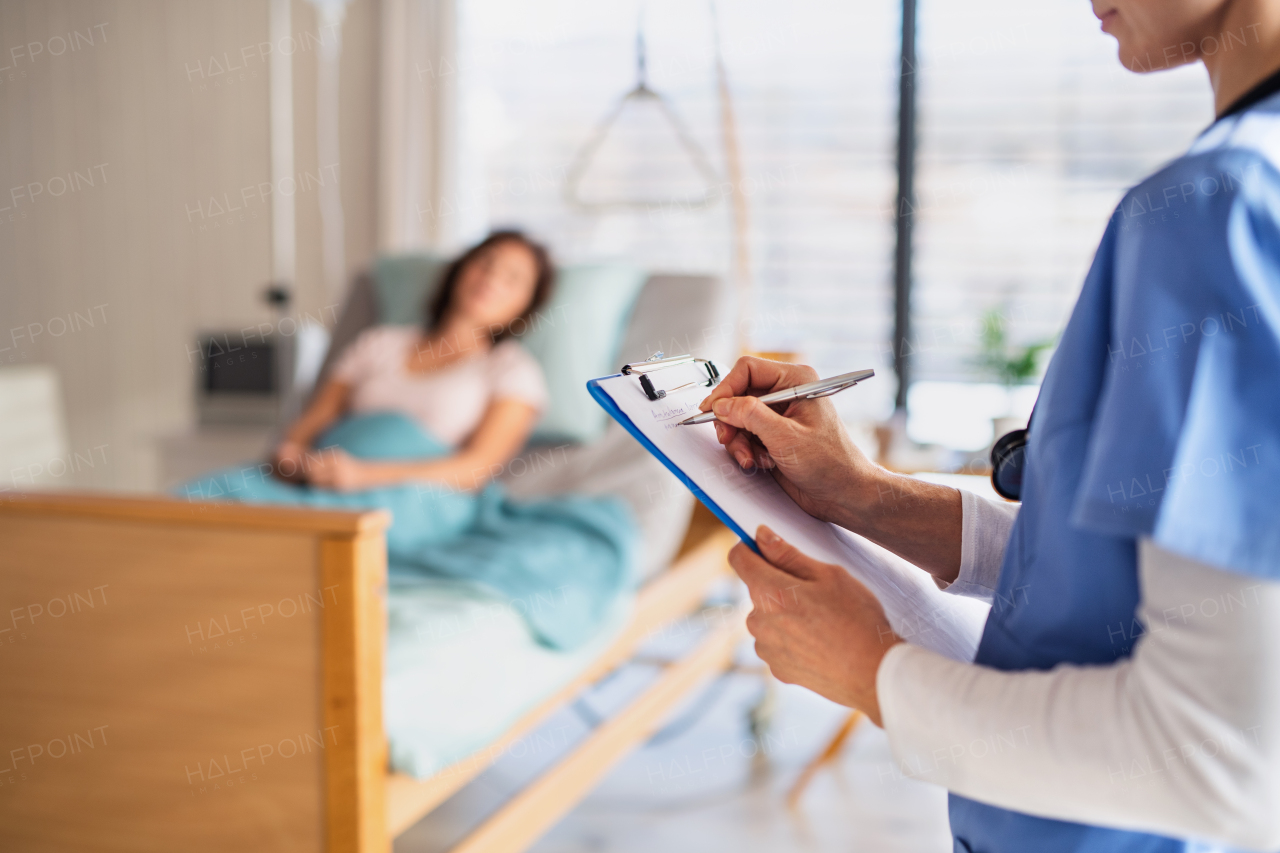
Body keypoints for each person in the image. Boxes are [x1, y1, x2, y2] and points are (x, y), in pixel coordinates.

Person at [701, 2, 1280, 851]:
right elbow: (1151, 575)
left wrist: (870, 669)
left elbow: (1226, 759)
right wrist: (862, 495)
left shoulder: (1217, 211)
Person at [273, 229, 553, 493]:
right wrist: (292, 453)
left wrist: (363, 476)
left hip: (420, 497)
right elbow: (314, 420)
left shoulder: (512, 370)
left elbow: (475, 471)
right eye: (486, 263)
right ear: (460, 270)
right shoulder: (378, 342)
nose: (492, 279)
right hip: (321, 479)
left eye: (513, 278)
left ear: (526, 307)